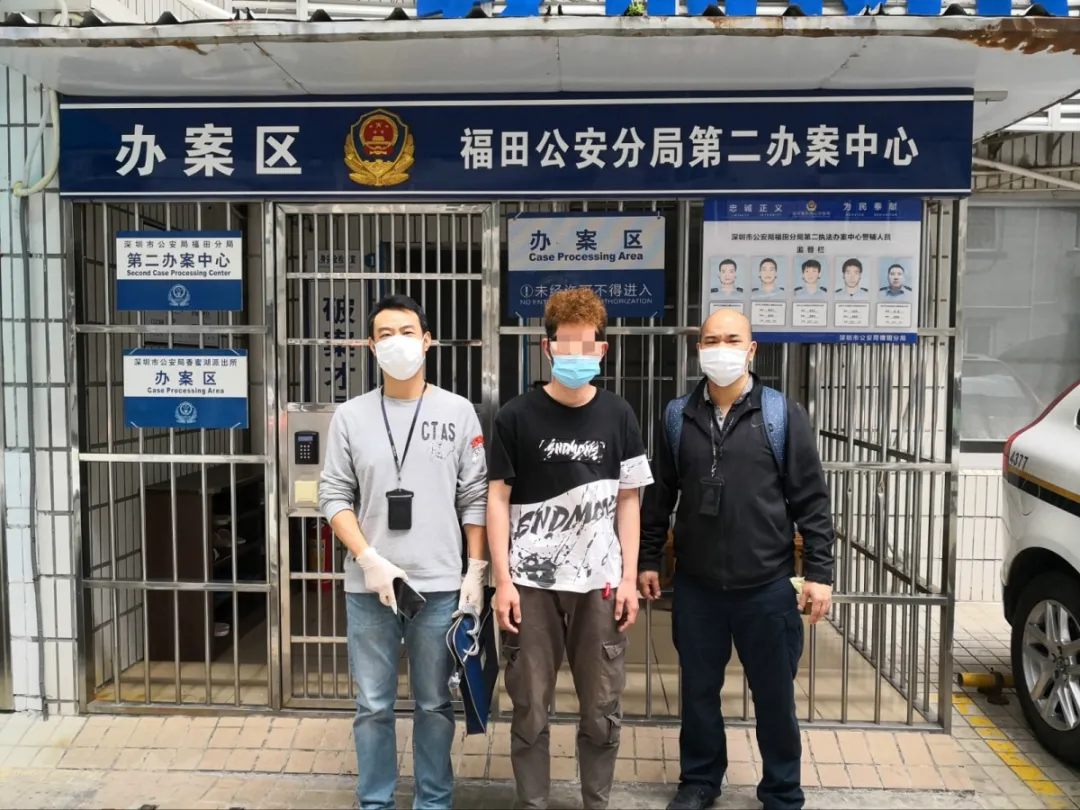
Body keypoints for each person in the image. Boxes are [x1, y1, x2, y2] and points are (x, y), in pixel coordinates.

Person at [639, 308, 836, 810]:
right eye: (711, 340)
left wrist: (819, 573)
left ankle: (782, 791)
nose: (720, 349)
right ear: (698, 349)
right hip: (698, 587)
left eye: (732, 340)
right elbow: (659, 496)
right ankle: (700, 780)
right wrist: (647, 559)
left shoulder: (780, 414)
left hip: (766, 587)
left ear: (751, 350)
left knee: (775, 697)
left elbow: (811, 499)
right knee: (698, 693)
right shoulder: (677, 416)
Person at [319, 293, 489, 810]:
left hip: (438, 587)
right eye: (385, 335)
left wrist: (475, 570)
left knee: (435, 704)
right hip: (370, 589)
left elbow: (475, 496)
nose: (398, 342)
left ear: (427, 341)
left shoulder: (458, 412)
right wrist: (368, 559)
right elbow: (333, 495)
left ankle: (433, 802)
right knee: (372, 705)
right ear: (371, 346)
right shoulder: (350, 416)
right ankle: (375, 802)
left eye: (407, 332)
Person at [487, 287, 653, 810]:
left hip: (599, 583)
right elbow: (497, 499)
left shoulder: (619, 415)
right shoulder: (516, 416)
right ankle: (533, 802)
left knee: (601, 708)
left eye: (587, 345)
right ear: (547, 347)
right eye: (566, 344)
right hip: (530, 584)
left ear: (602, 350)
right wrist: (503, 581)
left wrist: (627, 578)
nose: (576, 355)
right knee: (529, 707)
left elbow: (629, 499)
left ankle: (595, 802)